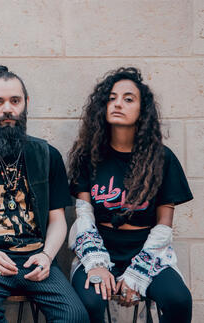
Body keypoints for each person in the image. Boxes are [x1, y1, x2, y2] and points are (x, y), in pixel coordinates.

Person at [0, 65, 89, 323]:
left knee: (75, 316)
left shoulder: (47, 155)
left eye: (15, 101)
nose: (7, 109)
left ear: (26, 103)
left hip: (35, 256)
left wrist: (47, 256)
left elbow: (58, 220)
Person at [67, 67, 193, 323]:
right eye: (111, 98)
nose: (118, 104)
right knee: (88, 302)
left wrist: (139, 273)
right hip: (100, 247)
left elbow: (164, 226)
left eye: (128, 99)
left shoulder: (162, 158)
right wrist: (97, 263)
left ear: (142, 109)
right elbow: (84, 216)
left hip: (146, 248)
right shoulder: (88, 156)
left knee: (179, 299)